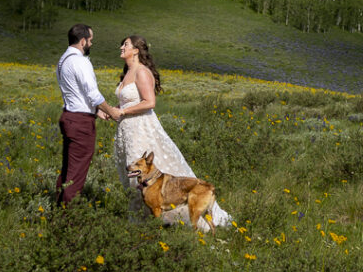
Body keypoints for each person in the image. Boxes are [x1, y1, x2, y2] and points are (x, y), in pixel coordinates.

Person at [111, 35, 231, 229]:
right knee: (131, 175)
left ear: (136, 50)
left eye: (125, 44)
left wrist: (122, 111)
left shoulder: (142, 72)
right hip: (127, 130)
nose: (121, 47)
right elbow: (130, 101)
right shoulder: (128, 72)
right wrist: (111, 110)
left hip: (141, 128)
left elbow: (150, 102)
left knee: (144, 174)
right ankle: (141, 220)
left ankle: (184, 214)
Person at [55, 23, 120, 205]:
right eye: (90, 40)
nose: (91, 44)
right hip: (80, 122)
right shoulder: (80, 61)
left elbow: (76, 93)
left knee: (68, 169)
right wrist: (111, 111)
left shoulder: (63, 60)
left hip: (69, 116)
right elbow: (92, 93)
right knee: (76, 173)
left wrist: (96, 110)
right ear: (83, 41)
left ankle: (58, 208)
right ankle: (68, 218)